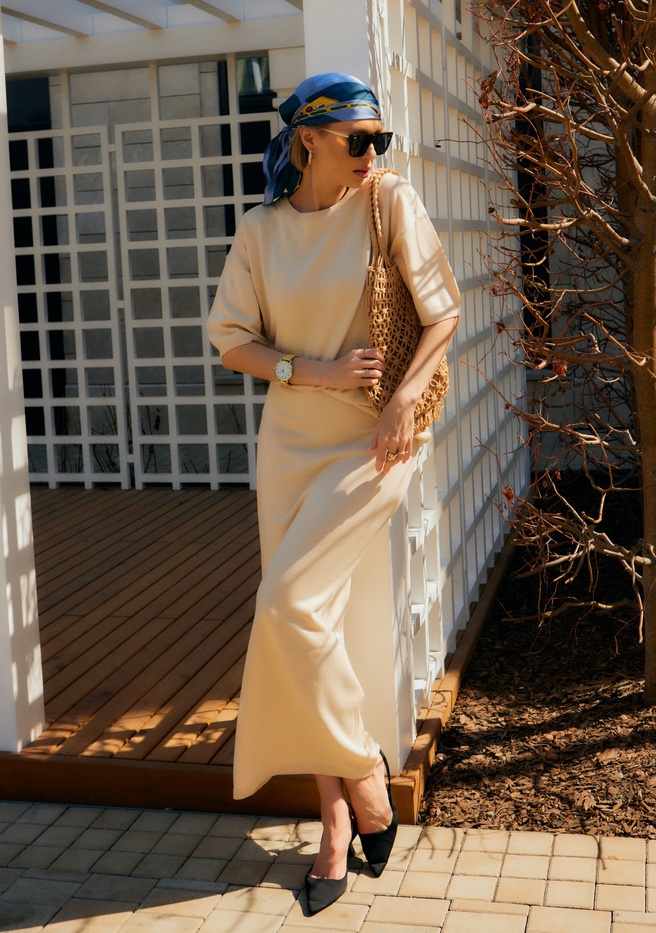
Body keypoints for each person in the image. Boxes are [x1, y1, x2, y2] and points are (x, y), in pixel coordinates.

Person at [208, 72, 460, 915]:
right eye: (358, 139)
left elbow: (444, 314)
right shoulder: (261, 231)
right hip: (289, 447)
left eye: (379, 139)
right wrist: (309, 370)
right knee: (305, 631)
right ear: (308, 139)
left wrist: (398, 400)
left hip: (373, 440)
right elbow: (230, 340)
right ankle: (340, 816)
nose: (372, 152)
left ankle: (363, 778)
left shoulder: (388, 203)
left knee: (286, 607)